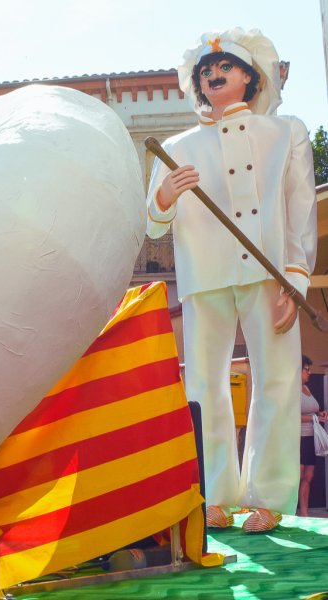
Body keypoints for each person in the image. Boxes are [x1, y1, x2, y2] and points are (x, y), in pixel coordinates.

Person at [146, 28, 317, 532]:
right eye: (205, 71)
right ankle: (212, 492)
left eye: (225, 67)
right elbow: (152, 225)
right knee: (202, 384)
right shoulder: (175, 146)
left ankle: (268, 496)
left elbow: (301, 209)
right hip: (205, 276)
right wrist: (164, 198)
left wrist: (296, 279)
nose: (214, 76)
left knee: (278, 381)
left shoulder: (286, 132)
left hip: (269, 276)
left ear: (250, 75)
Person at [299, 355, 327, 517]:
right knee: (299, 476)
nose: (309, 372)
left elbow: (311, 410)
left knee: (308, 477)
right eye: (306, 369)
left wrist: (319, 413)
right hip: (299, 439)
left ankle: (305, 514)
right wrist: (315, 418)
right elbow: (289, 416)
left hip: (312, 438)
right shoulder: (291, 390)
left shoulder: (307, 388)